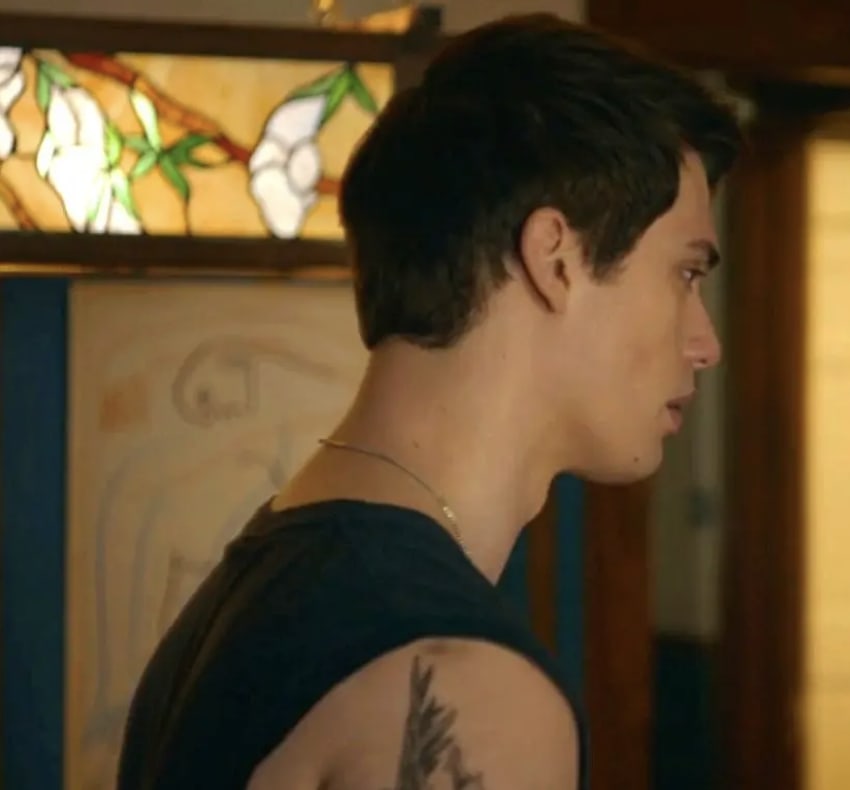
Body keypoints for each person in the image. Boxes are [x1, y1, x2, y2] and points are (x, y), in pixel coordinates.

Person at [116, 13, 740, 790]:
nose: (706, 343)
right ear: (556, 259)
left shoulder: (251, 595)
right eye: (685, 273)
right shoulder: (464, 686)